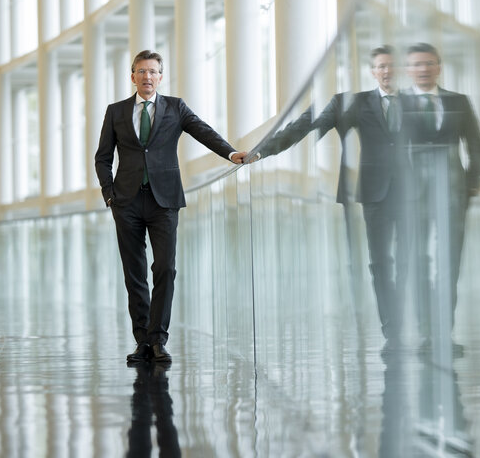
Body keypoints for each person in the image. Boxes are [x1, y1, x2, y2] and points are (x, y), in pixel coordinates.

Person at [95, 50, 248, 363]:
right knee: (134, 274)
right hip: (126, 202)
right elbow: (103, 157)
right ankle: (142, 342)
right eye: (141, 71)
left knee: (165, 268)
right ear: (133, 76)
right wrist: (110, 194)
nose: (147, 77)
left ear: (160, 77)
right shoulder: (116, 111)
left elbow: (203, 131)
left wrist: (231, 154)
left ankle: (158, 340)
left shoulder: (175, 107)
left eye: (153, 72)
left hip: (164, 202)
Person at [259, 45, 414, 344]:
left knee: (409, 259)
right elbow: (304, 125)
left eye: (392, 66)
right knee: (380, 260)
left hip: (410, 194)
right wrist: (260, 152)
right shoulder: (353, 103)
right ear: (373, 71)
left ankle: (403, 313)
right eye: (381, 66)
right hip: (374, 194)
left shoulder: (414, 103)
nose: (386, 72)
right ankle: (392, 323)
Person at [401, 42, 480, 342]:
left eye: (429, 63)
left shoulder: (458, 101)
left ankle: (443, 333)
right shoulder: (396, 103)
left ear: (439, 66)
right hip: (411, 196)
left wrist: (471, 183)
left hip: (452, 191)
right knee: (419, 262)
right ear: (408, 70)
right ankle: (425, 332)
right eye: (416, 64)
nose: (423, 69)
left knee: (449, 262)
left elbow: (476, 144)